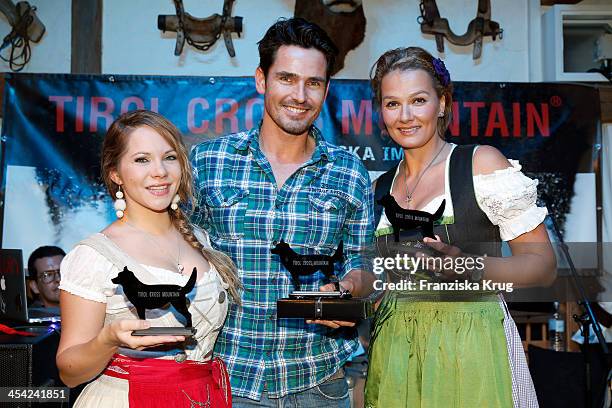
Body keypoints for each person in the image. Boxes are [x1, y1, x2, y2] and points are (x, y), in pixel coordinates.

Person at [190, 18, 375, 407]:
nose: (301, 95)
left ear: (326, 89)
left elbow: (364, 263)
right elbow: (178, 254)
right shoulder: (209, 161)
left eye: (314, 82)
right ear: (262, 80)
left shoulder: (348, 171)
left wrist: (348, 291)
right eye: (287, 78)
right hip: (226, 380)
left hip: (318, 383)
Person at [364, 47, 557, 407]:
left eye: (418, 100)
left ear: (442, 103)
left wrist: (465, 265)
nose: (405, 116)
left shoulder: (481, 163)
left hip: (471, 347)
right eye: (392, 104)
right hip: (397, 352)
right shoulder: (380, 187)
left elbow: (543, 266)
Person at [56, 110, 239, 407]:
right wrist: (108, 338)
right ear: (116, 173)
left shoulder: (198, 238)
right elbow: (69, 372)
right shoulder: (92, 256)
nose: (160, 172)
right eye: (142, 160)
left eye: (169, 157)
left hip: (203, 396)